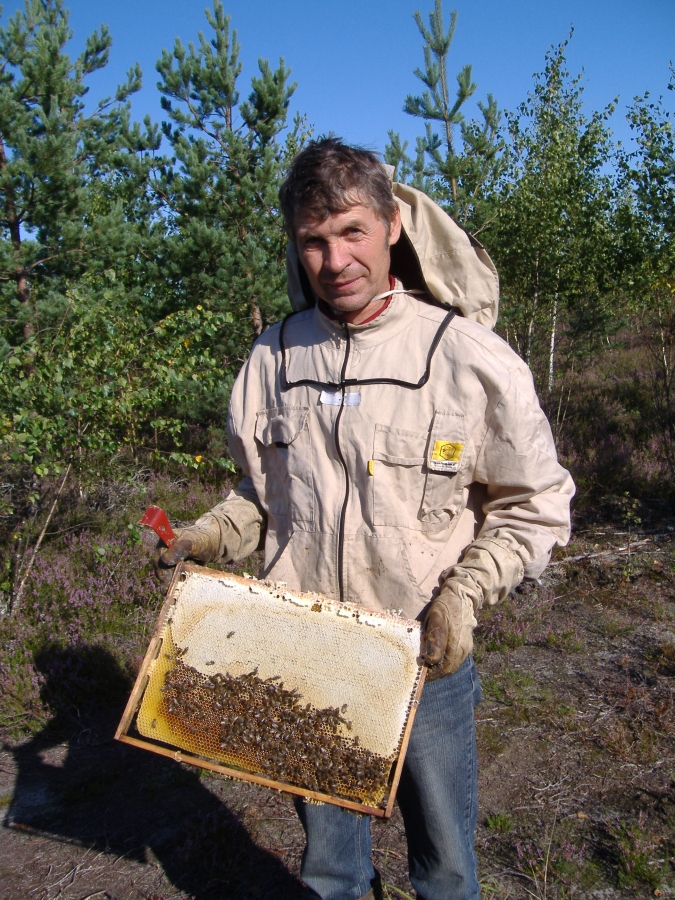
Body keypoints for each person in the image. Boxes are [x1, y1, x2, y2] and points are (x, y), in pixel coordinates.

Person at [154, 138, 574, 900]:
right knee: (329, 870)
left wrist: (463, 596)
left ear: (391, 227)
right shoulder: (272, 359)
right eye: (313, 240)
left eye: (351, 232)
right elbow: (260, 493)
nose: (334, 258)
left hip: (423, 658)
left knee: (444, 868)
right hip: (303, 652)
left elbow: (534, 505)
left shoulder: (467, 357)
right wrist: (205, 534)